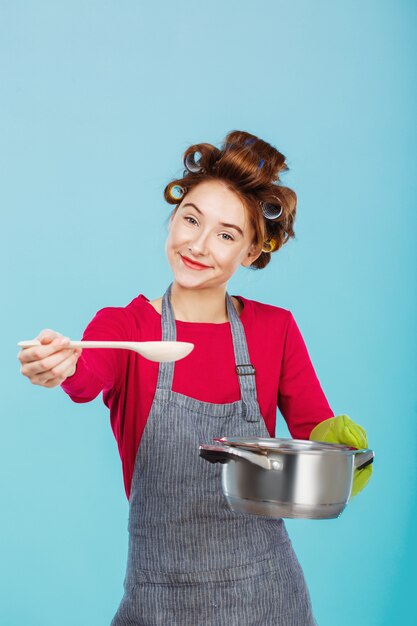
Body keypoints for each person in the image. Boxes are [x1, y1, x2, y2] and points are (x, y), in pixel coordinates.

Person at [18, 130, 372, 625]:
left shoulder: (275, 329)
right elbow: (85, 375)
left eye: (227, 235)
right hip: (159, 597)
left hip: (267, 595)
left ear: (250, 252)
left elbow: (315, 429)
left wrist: (343, 452)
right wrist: (59, 364)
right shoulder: (127, 328)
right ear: (174, 216)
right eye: (191, 219)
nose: (198, 245)